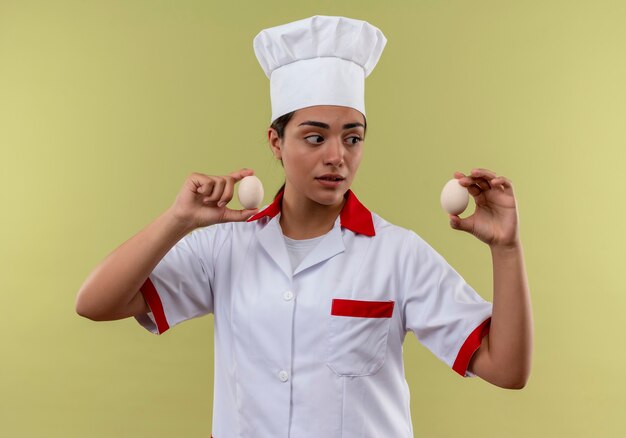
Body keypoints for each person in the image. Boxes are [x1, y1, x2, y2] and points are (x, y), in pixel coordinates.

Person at [76, 15, 532, 437]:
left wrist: (506, 248)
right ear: (276, 142)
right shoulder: (224, 248)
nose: (337, 156)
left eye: (352, 138)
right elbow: (95, 303)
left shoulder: (398, 254)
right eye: (315, 137)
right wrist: (178, 220)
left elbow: (507, 370)